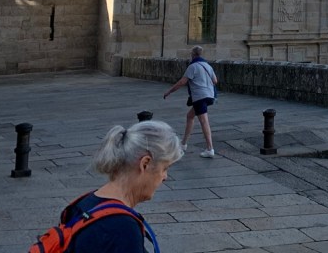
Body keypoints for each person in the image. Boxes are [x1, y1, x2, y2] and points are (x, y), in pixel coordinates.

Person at [63, 119, 182, 252]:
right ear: (145, 164)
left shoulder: (81, 204)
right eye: (165, 168)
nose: (165, 177)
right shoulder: (124, 228)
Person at [163, 46, 218, 158]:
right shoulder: (207, 65)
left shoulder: (193, 66)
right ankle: (183, 144)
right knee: (190, 116)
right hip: (209, 95)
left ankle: (210, 149)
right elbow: (215, 81)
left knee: (204, 121)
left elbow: (182, 82)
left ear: (193, 54)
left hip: (199, 96)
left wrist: (169, 91)